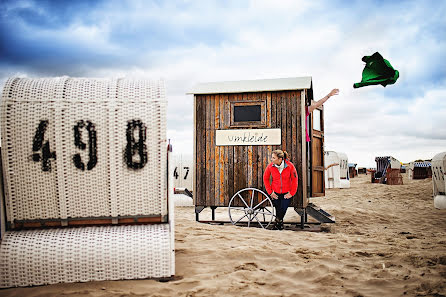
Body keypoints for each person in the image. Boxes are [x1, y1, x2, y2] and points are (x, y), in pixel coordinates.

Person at [263, 150, 298, 230]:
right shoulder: (270, 166)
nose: (271, 159)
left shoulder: (290, 166)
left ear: (280, 159)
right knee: (278, 209)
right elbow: (265, 178)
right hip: (275, 193)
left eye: (273, 158)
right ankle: (279, 224)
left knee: (283, 209)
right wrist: (270, 192)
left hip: (287, 193)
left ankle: (277, 222)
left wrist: (291, 193)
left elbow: (295, 179)